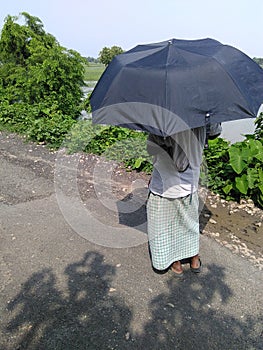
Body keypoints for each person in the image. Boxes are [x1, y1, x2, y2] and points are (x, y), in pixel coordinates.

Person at [146, 124, 222, 276]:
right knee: (190, 222)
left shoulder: (161, 116)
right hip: (189, 182)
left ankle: (175, 263)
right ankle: (194, 259)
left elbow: (151, 149)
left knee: (164, 226)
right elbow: (214, 133)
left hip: (164, 184)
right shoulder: (205, 110)